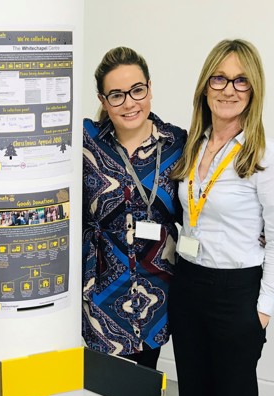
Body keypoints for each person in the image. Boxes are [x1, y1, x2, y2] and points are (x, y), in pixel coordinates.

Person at [169, 39, 274, 396]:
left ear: (254, 89)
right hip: (190, 282)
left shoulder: (268, 156)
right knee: (195, 387)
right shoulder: (194, 145)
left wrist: (262, 309)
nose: (229, 88)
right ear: (205, 86)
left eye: (241, 80)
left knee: (234, 394)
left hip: (237, 289)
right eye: (219, 78)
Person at [82, 47, 187, 368]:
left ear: (150, 88)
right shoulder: (86, 144)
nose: (129, 103)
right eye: (116, 95)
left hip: (158, 289)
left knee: (144, 387)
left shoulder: (178, 144)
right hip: (101, 290)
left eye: (137, 90)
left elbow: (202, 206)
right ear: (103, 101)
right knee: (103, 393)